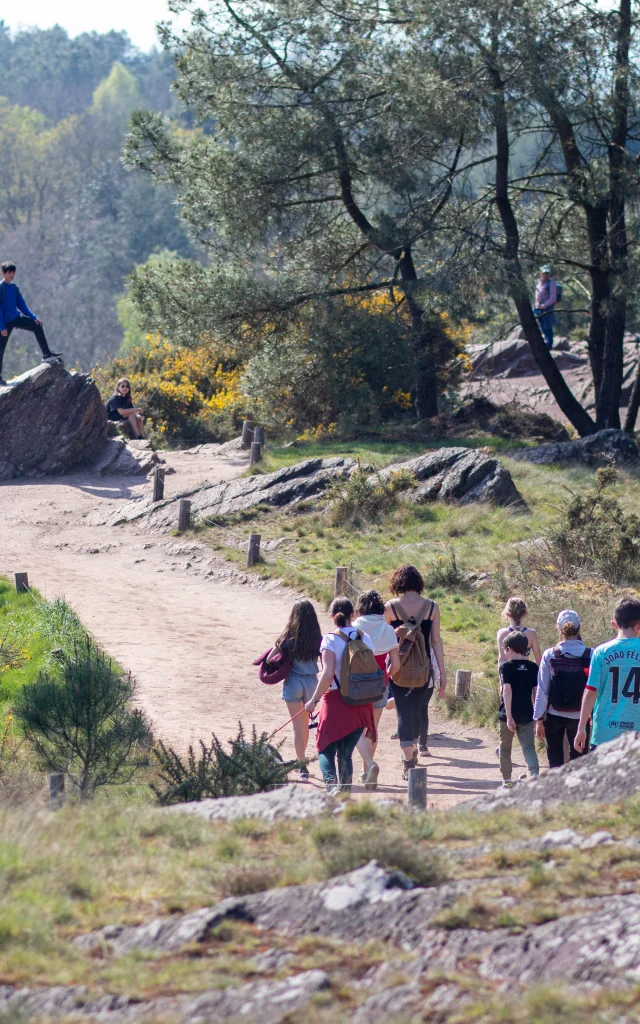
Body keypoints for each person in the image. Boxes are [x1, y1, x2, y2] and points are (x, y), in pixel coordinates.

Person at [304, 597, 376, 795]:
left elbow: (327, 674)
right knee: (346, 753)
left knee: (325, 748)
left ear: (332, 616)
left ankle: (332, 787)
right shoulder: (365, 638)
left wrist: (313, 700)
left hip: (336, 701)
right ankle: (344, 793)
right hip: (361, 702)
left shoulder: (330, 639)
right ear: (353, 615)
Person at [384, 564, 446, 776]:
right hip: (424, 667)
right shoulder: (432, 607)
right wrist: (442, 674)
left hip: (398, 668)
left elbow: (385, 640)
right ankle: (415, 749)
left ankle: (408, 759)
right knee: (418, 710)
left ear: (397, 583)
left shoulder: (390, 607)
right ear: (418, 582)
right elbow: (436, 642)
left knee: (403, 712)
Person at [575, 597, 640, 754]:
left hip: (605, 734)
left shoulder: (601, 652)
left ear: (615, 623)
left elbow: (591, 691)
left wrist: (581, 727)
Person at [352, 589, 400, 791]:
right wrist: (385, 677)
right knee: (373, 728)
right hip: (380, 684)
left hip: (357, 684)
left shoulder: (354, 627)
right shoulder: (388, 630)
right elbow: (396, 665)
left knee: (355, 729)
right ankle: (366, 771)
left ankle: (368, 766)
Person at [270, 599, 322, 782]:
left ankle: (302, 767)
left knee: (297, 728)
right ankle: (303, 760)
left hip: (293, 682)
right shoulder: (317, 637)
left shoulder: (288, 638)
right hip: (312, 684)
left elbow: (270, 659)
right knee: (305, 725)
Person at [533, 609, 592, 767]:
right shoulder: (591, 654)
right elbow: (595, 689)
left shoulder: (550, 655)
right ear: (579, 628)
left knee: (555, 762)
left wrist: (538, 719)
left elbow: (543, 690)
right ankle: (576, 791)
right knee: (579, 763)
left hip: (554, 715)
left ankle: (556, 791)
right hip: (581, 716)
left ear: (559, 629)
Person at [0, 261, 61, 386]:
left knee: (37, 326)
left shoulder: (14, 288)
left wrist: (33, 317)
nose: (12, 275)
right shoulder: (1, 288)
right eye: (9, 273)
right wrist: (2, 327)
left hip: (16, 318)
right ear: (3, 273)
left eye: (13, 273)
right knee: (0, 350)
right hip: (4, 323)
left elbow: (22, 305)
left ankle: (46, 354)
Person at [497, 631, 540, 788]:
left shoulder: (506, 667)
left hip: (508, 714)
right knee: (528, 747)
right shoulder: (533, 667)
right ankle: (534, 774)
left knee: (505, 748)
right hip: (527, 713)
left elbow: (506, 690)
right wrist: (537, 716)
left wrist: (509, 716)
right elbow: (536, 693)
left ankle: (507, 781)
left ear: (509, 649)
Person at [497, 597, 541, 667]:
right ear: (524, 613)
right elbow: (538, 660)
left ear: (507, 614)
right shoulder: (532, 634)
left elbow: (502, 660)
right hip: (526, 673)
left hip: (509, 675)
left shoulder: (502, 633)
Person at [534, 265, 558, 350]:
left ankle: (548, 346)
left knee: (547, 328)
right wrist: (537, 304)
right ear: (540, 273)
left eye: (547, 273)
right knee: (538, 326)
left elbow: (553, 298)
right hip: (538, 308)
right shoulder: (539, 283)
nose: (546, 275)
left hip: (546, 309)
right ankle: (542, 344)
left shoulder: (551, 284)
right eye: (544, 273)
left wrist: (544, 306)